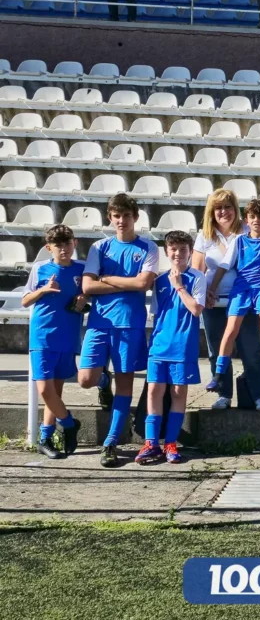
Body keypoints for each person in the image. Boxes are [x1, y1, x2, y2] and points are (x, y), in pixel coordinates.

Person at [79, 194, 158, 468]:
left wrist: (108, 279)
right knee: (86, 379)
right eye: (116, 216)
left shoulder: (148, 247)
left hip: (130, 323)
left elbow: (143, 284)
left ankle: (111, 442)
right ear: (110, 218)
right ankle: (103, 381)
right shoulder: (99, 247)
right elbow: (87, 288)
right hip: (100, 322)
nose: (121, 221)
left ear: (135, 217)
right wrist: (128, 283)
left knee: (125, 384)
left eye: (126, 215)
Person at [209, 199, 260, 405]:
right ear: (246, 219)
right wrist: (212, 288)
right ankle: (218, 374)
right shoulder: (239, 241)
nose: (256, 220)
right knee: (230, 330)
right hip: (242, 288)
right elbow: (223, 266)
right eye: (252, 217)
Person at [135, 231, 206, 465]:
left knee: (177, 393)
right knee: (154, 390)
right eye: (173, 249)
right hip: (159, 344)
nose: (177, 253)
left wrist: (179, 287)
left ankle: (171, 443)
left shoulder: (197, 278)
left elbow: (196, 309)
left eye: (183, 249)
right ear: (167, 252)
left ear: (190, 251)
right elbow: (156, 313)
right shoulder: (158, 280)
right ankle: (151, 443)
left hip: (183, 346)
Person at [193, 188, 260, 411]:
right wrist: (204, 292)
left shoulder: (248, 231)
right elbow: (197, 270)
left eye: (227, 207)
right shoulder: (205, 236)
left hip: (245, 299)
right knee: (217, 349)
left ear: (235, 209)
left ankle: (258, 395)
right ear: (211, 212)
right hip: (214, 301)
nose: (223, 212)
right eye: (218, 208)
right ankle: (223, 394)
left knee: (251, 349)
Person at [23, 224, 87, 460]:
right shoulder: (40, 268)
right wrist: (44, 290)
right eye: (58, 245)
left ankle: (46, 437)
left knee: (55, 392)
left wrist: (84, 296)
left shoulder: (82, 269)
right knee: (44, 390)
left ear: (75, 243)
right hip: (41, 336)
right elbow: (25, 300)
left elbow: (91, 291)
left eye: (67, 243)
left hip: (68, 336)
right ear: (48, 247)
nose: (63, 249)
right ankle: (69, 424)